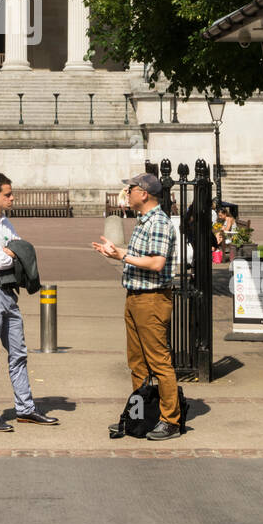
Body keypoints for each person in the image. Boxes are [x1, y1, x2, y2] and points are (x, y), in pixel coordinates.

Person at [92, 173, 181, 440]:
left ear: (143, 193)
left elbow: (156, 263)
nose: (126, 193)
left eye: (129, 189)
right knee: (137, 363)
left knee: (159, 361)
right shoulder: (144, 222)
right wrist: (117, 252)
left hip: (152, 299)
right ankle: (137, 417)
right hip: (136, 296)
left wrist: (122, 255)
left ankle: (170, 420)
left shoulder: (158, 223)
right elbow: (141, 260)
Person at [0, 171, 59, 432]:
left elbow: (21, 249)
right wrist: (12, 253)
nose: (12, 198)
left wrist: (12, 252)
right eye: (7, 194)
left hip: (7, 292)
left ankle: (25, 408)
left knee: (19, 352)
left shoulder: (5, 223)